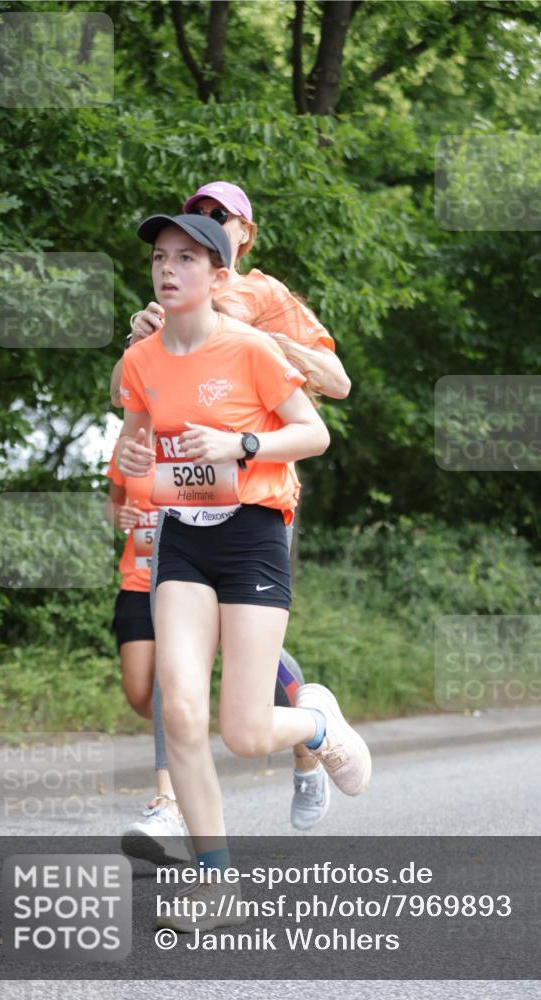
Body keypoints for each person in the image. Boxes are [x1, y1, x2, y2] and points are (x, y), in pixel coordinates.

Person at [116, 212, 371, 931]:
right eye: (160, 259)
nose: (168, 270)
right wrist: (134, 459)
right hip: (182, 542)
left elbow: (313, 432)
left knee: (246, 733)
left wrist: (240, 441)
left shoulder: (250, 347)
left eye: (186, 259)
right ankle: (215, 883)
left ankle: (317, 723)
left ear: (219, 275)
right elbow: (136, 448)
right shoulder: (141, 360)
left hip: (253, 534)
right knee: (180, 711)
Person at [105, 438, 189, 863]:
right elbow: (113, 503)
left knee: (167, 685)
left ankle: (169, 801)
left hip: (185, 580)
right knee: (140, 693)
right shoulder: (131, 443)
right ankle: (188, 746)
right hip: (137, 582)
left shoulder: (198, 432)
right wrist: (119, 516)